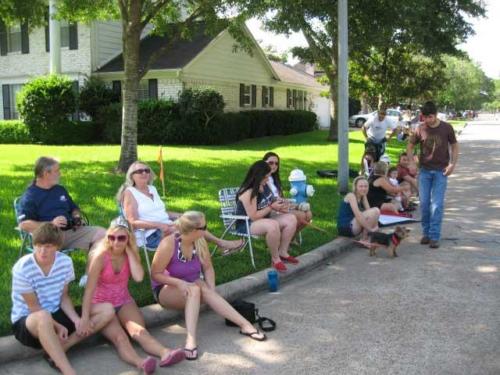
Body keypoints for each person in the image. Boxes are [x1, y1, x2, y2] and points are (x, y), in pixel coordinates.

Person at [151, 211, 267, 361]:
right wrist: (179, 283)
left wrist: (211, 292)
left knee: (202, 289)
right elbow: (156, 274)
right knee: (194, 289)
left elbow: (208, 268)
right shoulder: (168, 243)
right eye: (204, 227)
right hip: (166, 287)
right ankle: (190, 340)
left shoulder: (199, 241)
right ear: (193, 230)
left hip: (192, 283)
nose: (207, 229)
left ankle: (245, 325)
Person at [81, 217, 184, 373]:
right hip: (100, 304)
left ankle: (166, 353)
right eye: (112, 237)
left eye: (121, 238)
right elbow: (88, 290)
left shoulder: (130, 254)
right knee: (120, 338)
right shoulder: (100, 257)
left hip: (123, 300)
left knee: (140, 332)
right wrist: (84, 318)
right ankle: (141, 363)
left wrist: (129, 252)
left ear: (128, 238)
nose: (116, 242)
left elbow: (138, 277)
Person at [11, 223, 114, 375]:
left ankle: (61, 348)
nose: (42, 251)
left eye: (48, 246)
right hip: (28, 322)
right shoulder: (22, 267)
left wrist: (76, 320)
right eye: (38, 245)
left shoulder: (65, 262)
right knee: (43, 316)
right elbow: (34, 307)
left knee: (107, 310)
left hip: (56, 312)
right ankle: (68, 371)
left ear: (58, 246)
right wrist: (58, 326)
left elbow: (63, 297)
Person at [117, 161, 244, 253]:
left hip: (168, 225)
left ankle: (200, 261)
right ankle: (219, 246)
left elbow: (161, 212)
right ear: (131, 175)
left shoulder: (152, 189)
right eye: (139, 171)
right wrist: (158, 225)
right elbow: (132, 222)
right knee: (192, 231)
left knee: (196, 221)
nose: (144, 173)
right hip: (151, 234)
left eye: (146, 170)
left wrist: (180, 215)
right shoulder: (129, 193)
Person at [18, 156, 106, 253]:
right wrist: (51, 224)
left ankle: (94, 267)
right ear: (46, 173)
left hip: (71, 232)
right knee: (49, 250)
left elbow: (74, 208)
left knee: (104, 235)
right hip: (48, 237)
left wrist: (76, 218)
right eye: (57, 171)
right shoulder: (30, 196)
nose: (60, 173)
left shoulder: (59, 189)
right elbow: (24, 224)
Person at [407, 101, 458, 248]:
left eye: (429, 117)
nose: (427, 120)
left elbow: (455, 146)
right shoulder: (420, 128)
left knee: (437, 205)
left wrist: (452, 164)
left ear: (435, 115)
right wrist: (411, 162)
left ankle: (434, 236)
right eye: (424, 117)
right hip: (424, 171)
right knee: (424, 204)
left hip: (441, 172)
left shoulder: (447, 128)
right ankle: (426, 233)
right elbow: (410, 146)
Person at [235, 160, 298, 272]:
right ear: (259, 177)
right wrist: (271, 207)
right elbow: (254, 216)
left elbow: (272, 201)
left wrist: (281, 205)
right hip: (247, 224)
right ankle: (275, 259)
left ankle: (283, 252)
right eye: (266, 177)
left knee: (291, 218)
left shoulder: (264, 186)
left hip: (263, 219)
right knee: (272, 225)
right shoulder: (248, 192)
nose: (268, 179)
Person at [262, 151, 312, 234]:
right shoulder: (262, 179)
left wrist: (288, 203)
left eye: (276, 163)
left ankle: (290, 237)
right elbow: (265, 199)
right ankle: (287, 239)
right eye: (271, 163)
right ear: (264, 163)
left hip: (281, 205)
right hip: (272, 209)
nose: (274, 166)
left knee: (309, 214)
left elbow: (280, 197)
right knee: (302, 216)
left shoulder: (274, 179)